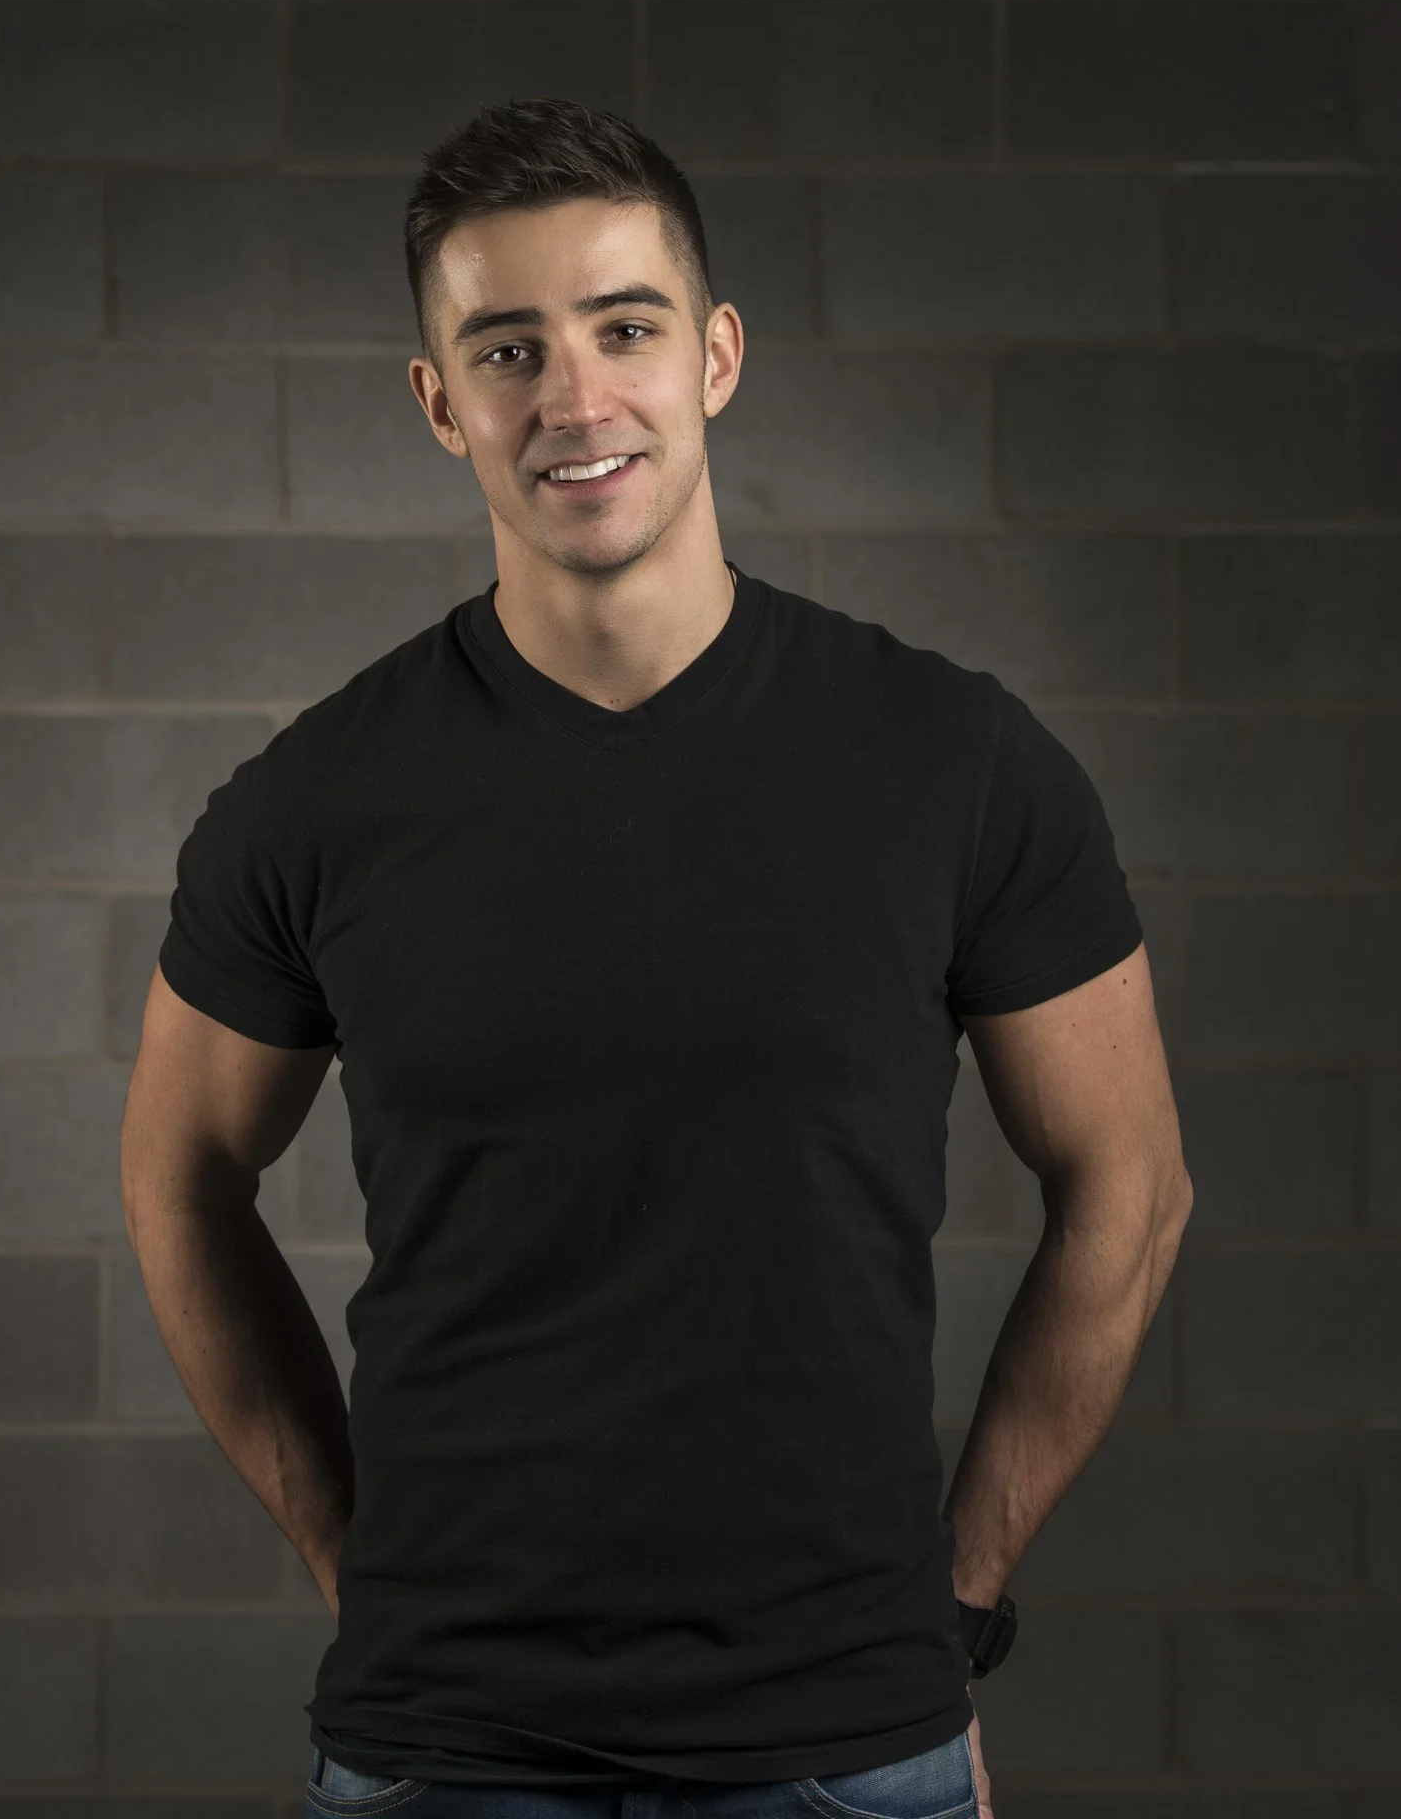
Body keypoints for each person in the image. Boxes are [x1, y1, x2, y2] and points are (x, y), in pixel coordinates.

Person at [120, 98, 1193, 1819]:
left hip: (848, 1752)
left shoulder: (955, 763)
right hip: (440, 1757)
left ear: (716, 356)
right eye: (506, 349)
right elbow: (177, 1177)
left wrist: (957, 1600)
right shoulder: (314, 802)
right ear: (438, 402)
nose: (573, 397)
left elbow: (1131, 1186)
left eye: (624, 329)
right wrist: (350, 1555)